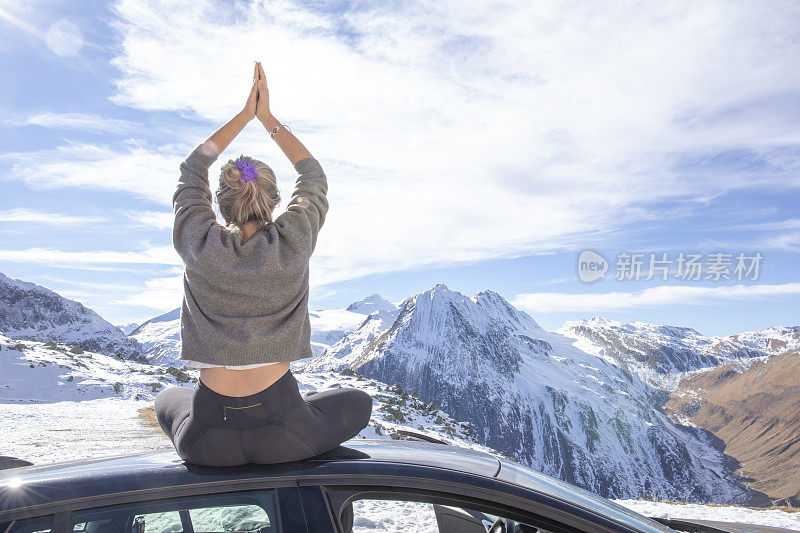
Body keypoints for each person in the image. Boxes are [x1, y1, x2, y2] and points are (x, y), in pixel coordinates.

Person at [154, 61, 372, 467]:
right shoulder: (294, 240)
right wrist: (266, 119)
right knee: (358, 401)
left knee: (167, 399)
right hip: (285, 430)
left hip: (206, 438)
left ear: (217, 201)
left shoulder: (198, 242)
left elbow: (192, 169)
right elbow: (313, 176)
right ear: (273, 200)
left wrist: (243, 116)